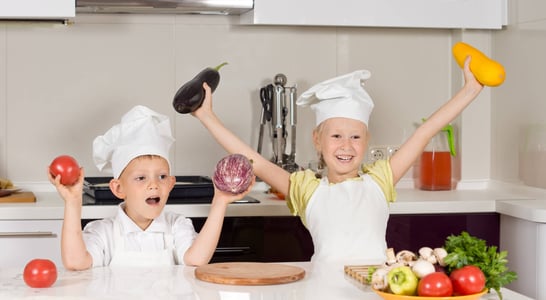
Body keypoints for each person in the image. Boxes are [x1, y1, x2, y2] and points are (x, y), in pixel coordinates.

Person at [192, 56, 483, 264]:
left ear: (367, 141)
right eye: (336, 137)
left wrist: (469, 90)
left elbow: (424, 132)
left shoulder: (381, 179)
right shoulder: (306, 189)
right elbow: (254, 160)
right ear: (317, 140)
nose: (347, 146)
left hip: (376, 287)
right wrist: (206, 116)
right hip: (322, 290)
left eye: (356, 137)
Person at [49, 105, 254, 270]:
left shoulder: (177, 226)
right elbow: (76, 263)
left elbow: (196, 259)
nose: (153, 184)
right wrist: (73, 202)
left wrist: (219, 202)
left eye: (162, 176)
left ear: (171, 184)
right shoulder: (104, 232)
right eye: (140, 178)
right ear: (118, 188)